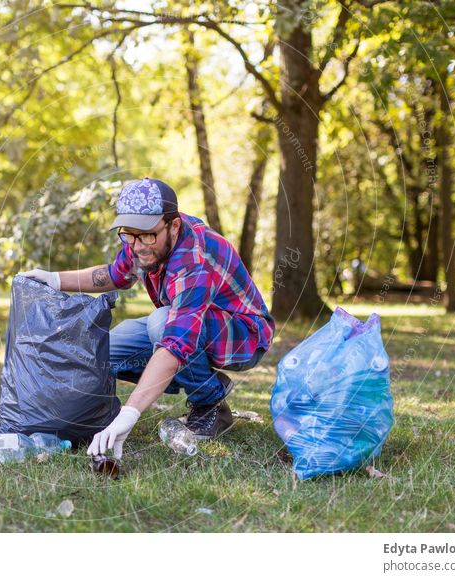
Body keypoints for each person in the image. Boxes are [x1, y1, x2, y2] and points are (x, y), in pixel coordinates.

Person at [20, 177, 275, 459]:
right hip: (190, 326)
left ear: (173, 225)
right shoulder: (144, 239)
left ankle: (210, 403)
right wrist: (54, 279)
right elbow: (112, 275)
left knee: (161, 323)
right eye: (129, 234)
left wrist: (131, 412)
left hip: (243, 335)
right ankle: (186, 378)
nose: (138, 245)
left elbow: (177, 340)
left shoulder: (193, 259)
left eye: (147, 235)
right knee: (104, 352)